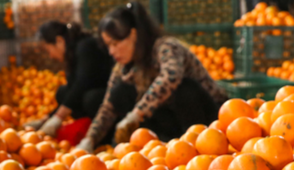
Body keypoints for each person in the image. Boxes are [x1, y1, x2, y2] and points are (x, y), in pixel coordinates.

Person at [77, 2, 227, 152]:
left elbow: (170, 77)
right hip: (172, 119)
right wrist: (89, 140)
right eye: (108, 46)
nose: (111, 51)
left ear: (133, 35)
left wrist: (137, 114)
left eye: (115, 43)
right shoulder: (122, 68)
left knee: (184, 88)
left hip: (207, 116)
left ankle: (195, 146)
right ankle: (162, 148)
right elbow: (108, 106)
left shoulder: (166, 47)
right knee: (120, 93)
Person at [25, 21, 115, 138]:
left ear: (59, 41)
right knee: (62, 92)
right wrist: (47, 119)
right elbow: (72, 88)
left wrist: (58, 117)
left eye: (48, 50)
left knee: (91, 99)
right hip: (94, 93)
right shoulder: (73, 53)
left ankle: (106, 135)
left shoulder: (85, 46)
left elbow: (82, 84)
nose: (51, 56)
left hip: (109, 98)